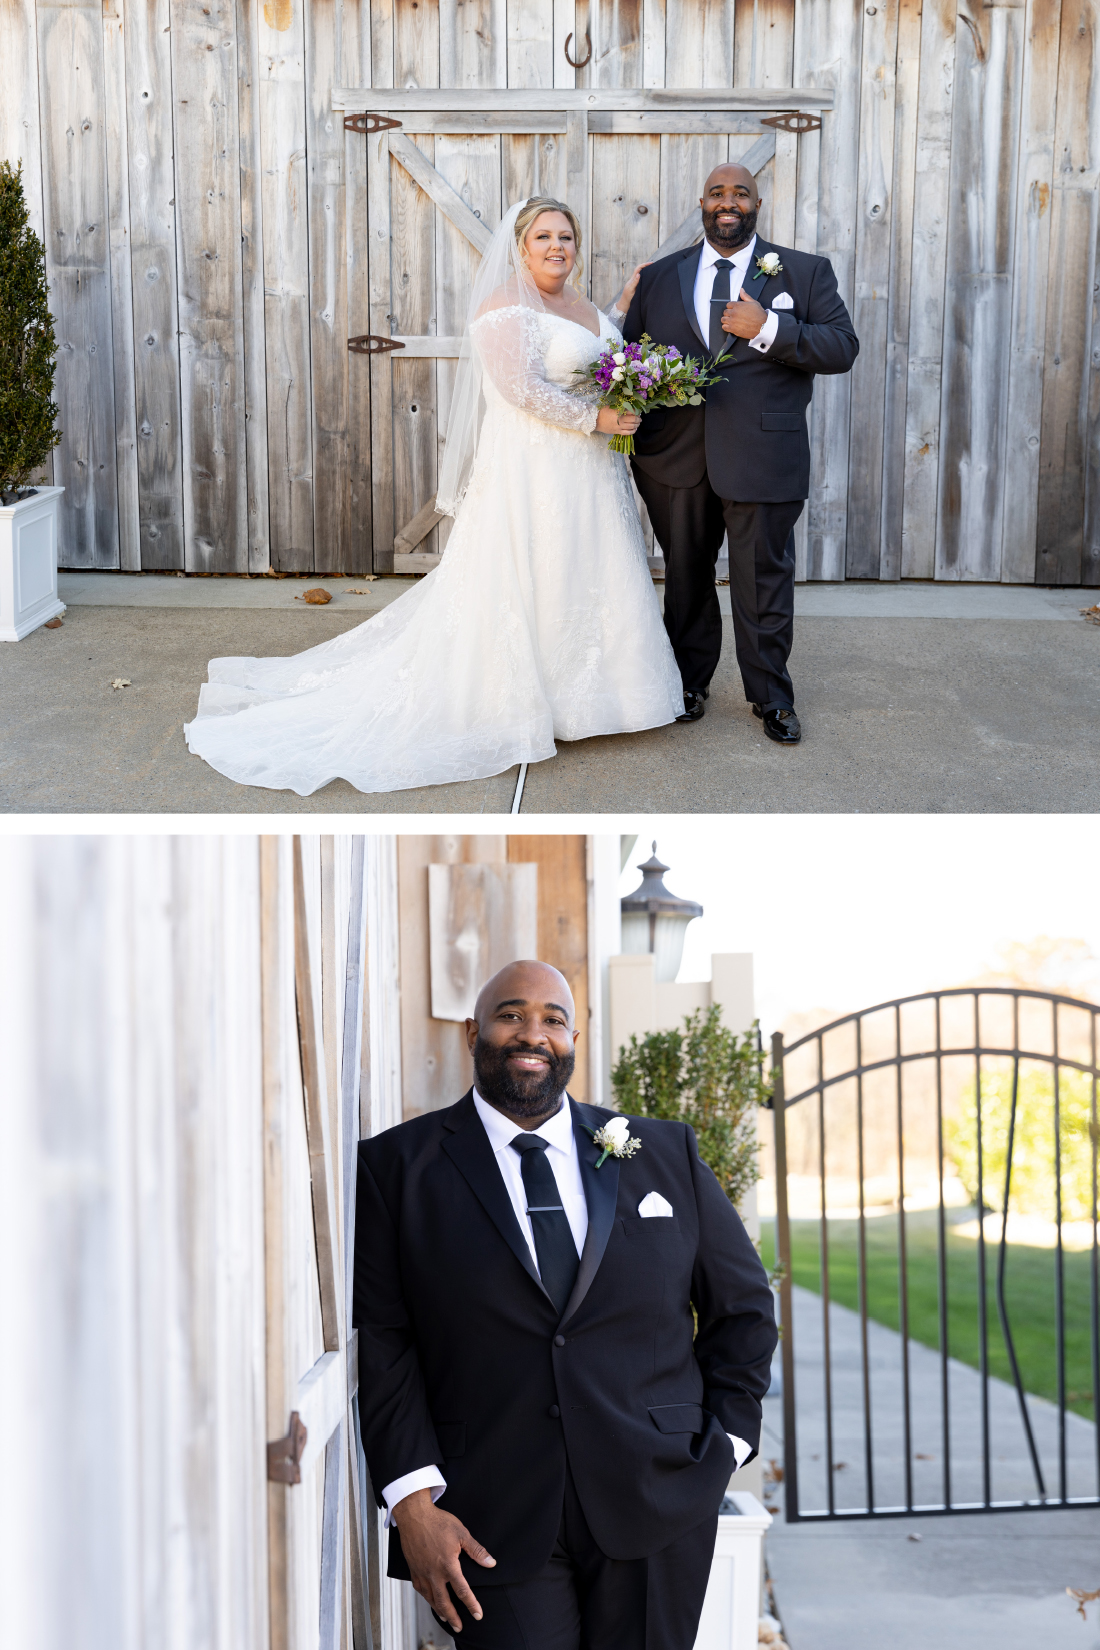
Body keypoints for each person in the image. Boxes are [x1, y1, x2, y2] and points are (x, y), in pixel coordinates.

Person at [183, 198, 683, 797]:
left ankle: (599, 701)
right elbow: (521, 389)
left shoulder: (581, 305)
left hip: (589, 477)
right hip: (533, 472)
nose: (558, 247)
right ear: (521, 246)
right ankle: (521, 700)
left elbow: (592, 350)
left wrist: (623, 306)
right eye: (544, 237)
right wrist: (594, 418)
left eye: (567, 237)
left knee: (582, 570)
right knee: (532, 573)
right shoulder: (504, 307)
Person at [353, 959, 777, 1650]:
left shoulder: (662, 1153)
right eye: (512, 1013)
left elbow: (745, 1311)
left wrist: (724, 1444)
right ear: (473, 1031)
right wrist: (412, 1502)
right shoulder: (397, 1169)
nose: (533, 1033)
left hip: (657, 1499)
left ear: (575, 1039)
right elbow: (386, 1341)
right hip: (488, 1510)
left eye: (554, 1019)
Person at [625, 162, 859, 742]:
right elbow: (628, 356)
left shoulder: (803, 272)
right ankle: (685, 682)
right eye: (716, 193)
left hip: (762, 453)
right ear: (701, 203)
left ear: (757, 203)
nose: (728, 202)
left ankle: (771, 696)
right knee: (684, 577)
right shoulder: (659, 277)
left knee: (763, 578)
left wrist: (769, 330)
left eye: (741, 193)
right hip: (674, 455)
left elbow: (841, 346)